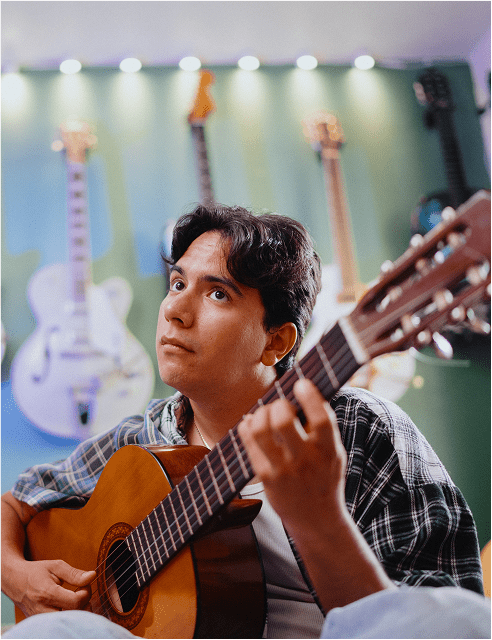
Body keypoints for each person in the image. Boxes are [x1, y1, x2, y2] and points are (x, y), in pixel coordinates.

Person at [1, 204, 487, 639]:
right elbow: (17, 502)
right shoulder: (145, 437)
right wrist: (14, 573)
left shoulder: (361, 431)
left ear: (275, 342)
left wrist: (320, 520)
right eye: (177, 282)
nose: (174, 310)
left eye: (218, 295)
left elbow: (442, 620)